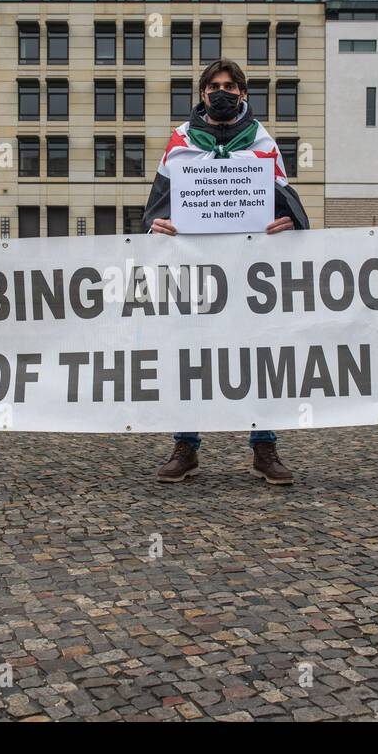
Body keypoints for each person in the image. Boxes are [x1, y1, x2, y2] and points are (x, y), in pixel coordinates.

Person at [142, 58, 310, 486]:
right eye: (214, 85)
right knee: (190, 353)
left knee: (258, 352)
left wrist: (290, 221)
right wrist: (154, 225)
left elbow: (285, 199)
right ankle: (186, 445)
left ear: (243, 94)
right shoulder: (179, 140)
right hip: (194, 266)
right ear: (201, 94)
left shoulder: (262, 141)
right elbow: (158, 203)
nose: (222, 92)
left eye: (230, 86)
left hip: (250, 268)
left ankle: (264, 445)